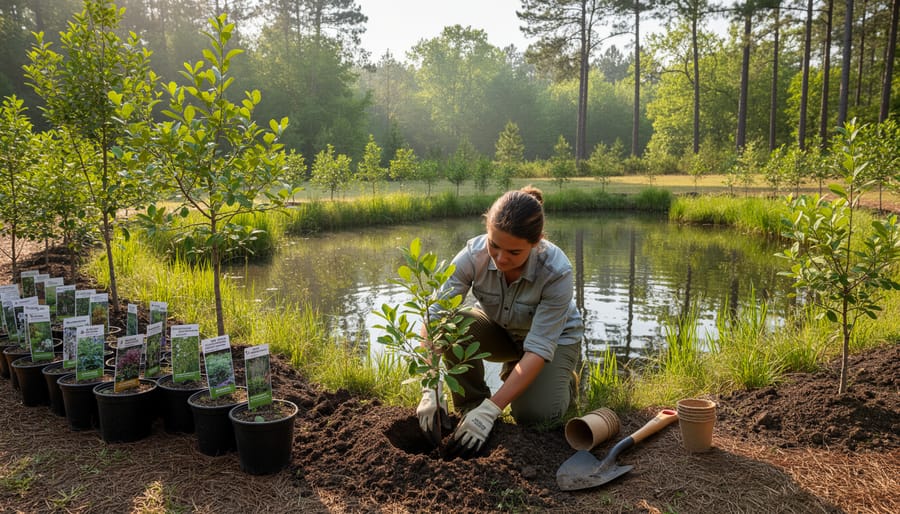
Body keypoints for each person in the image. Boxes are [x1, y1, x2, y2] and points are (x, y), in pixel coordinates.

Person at [418, 186, 584, 458]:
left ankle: (562, 381)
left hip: (553, 340)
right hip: (502, 330)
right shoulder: (473, 255)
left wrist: (493, 409)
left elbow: (540, 347)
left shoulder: (557, 271)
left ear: (537, 241)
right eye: (494, 245)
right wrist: (430, 383)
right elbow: (434, 317)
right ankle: (472, 405)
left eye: (514, 252)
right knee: (452, 324)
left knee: (533, 414)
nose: (501, 258)